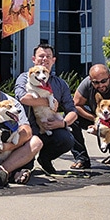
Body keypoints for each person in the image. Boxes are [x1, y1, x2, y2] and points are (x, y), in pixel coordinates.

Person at [0, 63, 43, 184]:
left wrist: (8, 146)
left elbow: (27, 131)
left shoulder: (12, 103)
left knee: (36, 141)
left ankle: (3, 171)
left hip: (9, 148)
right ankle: (11, 173)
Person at [15, 43, 77, 174]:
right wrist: (48, 101)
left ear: (53, 60)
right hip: (29, 128)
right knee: (25, 167)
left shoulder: (60, 84)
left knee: (67, 140)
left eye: (48, 56)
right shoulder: (24, 78)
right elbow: (23, 98)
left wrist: (62, 123)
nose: (44, 59)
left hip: (50, 126)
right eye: (41, 56)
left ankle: (45, 158)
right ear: (34, 59)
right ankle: (26, 162)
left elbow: (72, 111)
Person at [71, 64, 110, 170]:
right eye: (96, 82)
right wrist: (95, 119)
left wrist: (101, 133)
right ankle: (81, 158)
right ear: (90, 80)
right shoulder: (87, 83)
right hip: (97, 118)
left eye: (103, 81)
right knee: (71, 117)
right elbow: (76, 104)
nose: (100, 85)